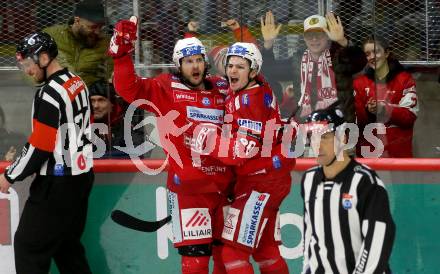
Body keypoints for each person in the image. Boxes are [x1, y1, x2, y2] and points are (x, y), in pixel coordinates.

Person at [108, 16, 234, 274]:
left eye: (199, 59)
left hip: (228, 188)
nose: (195, 66)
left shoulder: (222, 87)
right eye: (189, 61)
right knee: (195, 263)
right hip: (189, 191)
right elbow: (128, 89)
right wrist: (122, 56)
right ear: (179, 65)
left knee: (228, 260)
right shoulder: (166, 86)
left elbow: (252, 80)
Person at [192, 42, 294, 274]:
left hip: (259, 184)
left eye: (240, 66)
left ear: (253, 70)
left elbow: (243, 150)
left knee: (233, 253)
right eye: (230, 66)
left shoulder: (249, 100)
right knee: (265, 250)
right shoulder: (255, 88)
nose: (232, 71)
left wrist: (210, 142)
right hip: (269, 179)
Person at [0, 32, 94, 274]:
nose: (28, 71)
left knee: (28, 247)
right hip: (81, 178)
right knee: (67, 247)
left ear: (44, 58)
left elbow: (40, 145)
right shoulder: (76, 81)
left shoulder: (50, 93)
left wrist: (10, 175)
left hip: (57, 183)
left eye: (29, 64)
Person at [300, 103, 395, 274]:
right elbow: (310, 236)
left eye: (325, 137)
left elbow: (377, 242)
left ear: (343, 137)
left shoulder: (366, 183)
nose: (317, 144)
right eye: (312, 137)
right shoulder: (309, 180)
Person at [260, 11, 366, 121]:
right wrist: (268, 43)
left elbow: (360, 62)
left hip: (339, 123)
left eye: (319, 35)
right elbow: (269, 70)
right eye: (310, 35)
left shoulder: (339, 56)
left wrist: (342, 41)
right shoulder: (298, 60)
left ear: (327, 36)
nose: (314, 39)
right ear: (304, 38)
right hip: (307, 125)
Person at [354, 35, 419, 158]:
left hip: (399, 156)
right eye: (367, 54)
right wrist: (369, 111)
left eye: (376, 51)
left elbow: (410, 117)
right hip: (369, 158)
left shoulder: (404, 79)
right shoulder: (359, 83)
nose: (372, 57)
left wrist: (385, 109)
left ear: (387, 53)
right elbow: (355, 122)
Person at [43, 0, 113, 86]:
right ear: (77, 21)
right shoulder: (51, 36)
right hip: (56, 93)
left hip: (90, 95)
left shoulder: (105, 43)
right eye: (93, 27)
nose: (98, 32)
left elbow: (111, 76)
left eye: (101, 27)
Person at [88, 80, 148, 158]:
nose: (95, 106)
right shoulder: (86, 123)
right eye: (92, 101)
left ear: (112, 103)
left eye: (101, 100)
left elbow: (137, 151)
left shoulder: (131, 118)